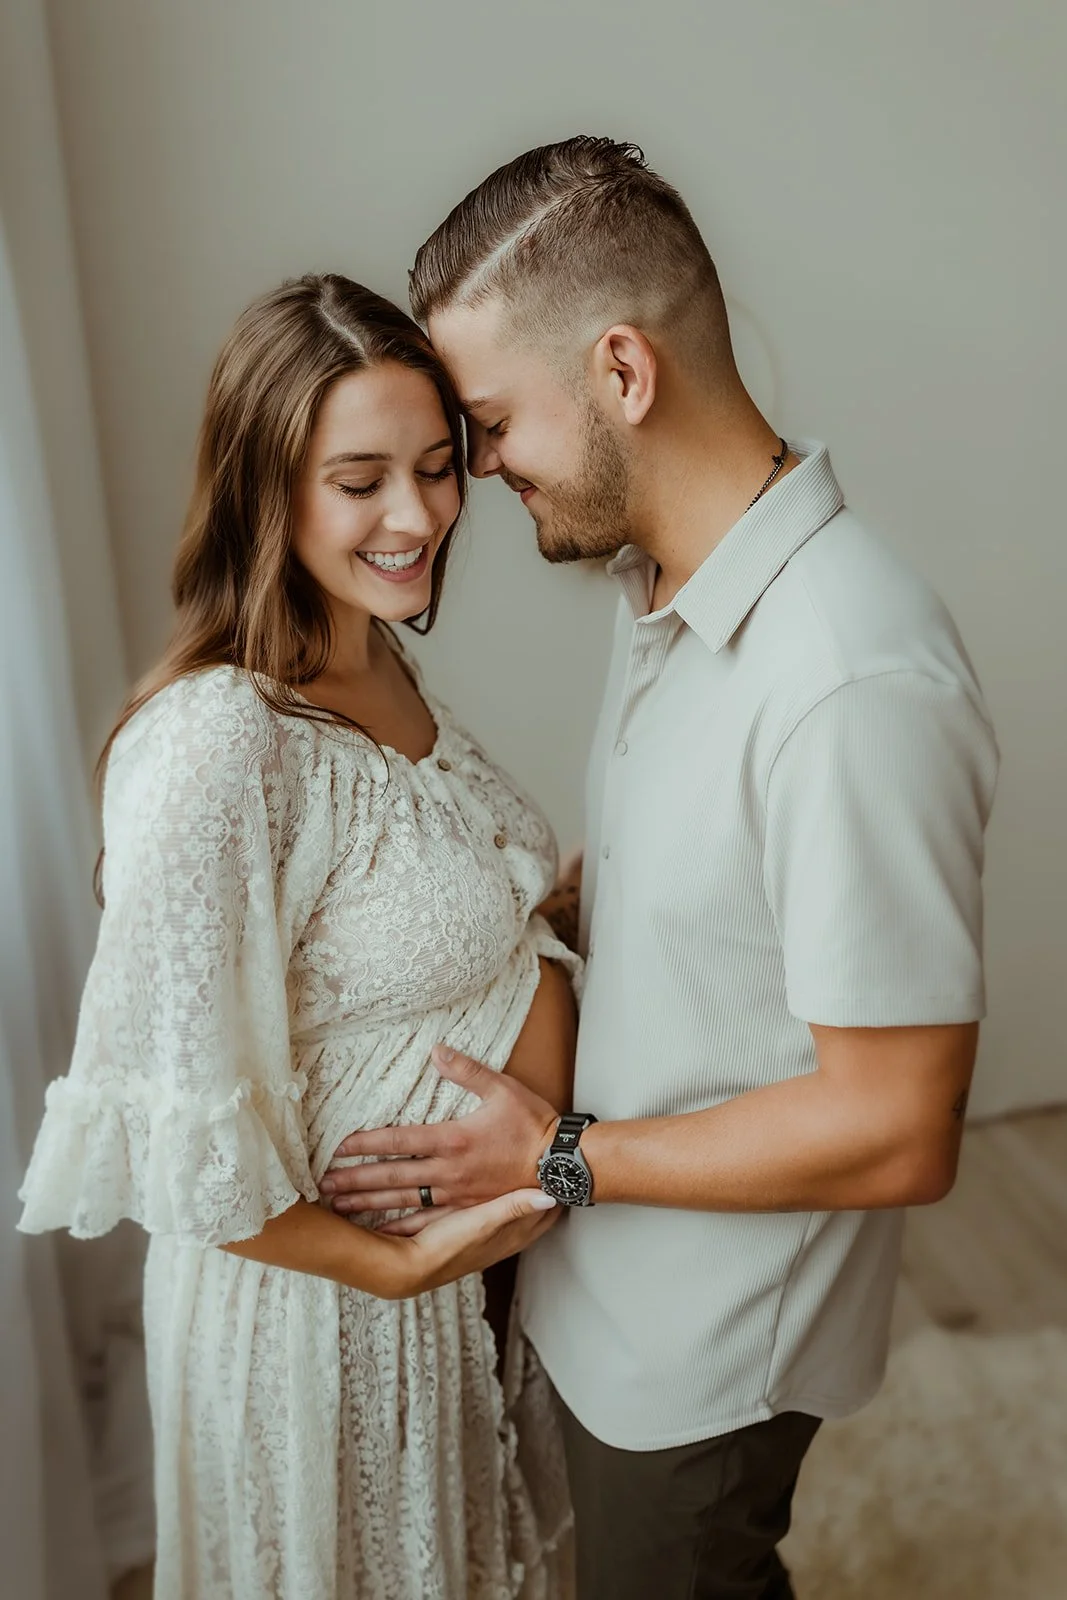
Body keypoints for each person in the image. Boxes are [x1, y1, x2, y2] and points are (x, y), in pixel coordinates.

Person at [323, 138, 1001, 1599]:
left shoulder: (848, 677)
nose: (476, 474)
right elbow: (721, 912)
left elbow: (897, 1127)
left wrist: (556, 1160)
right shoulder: (662, 583)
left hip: (702, 1356)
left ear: (621, 372)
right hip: (601, 1282)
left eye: (493, 423)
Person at [18, 274, 581, 1600]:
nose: (417, 516)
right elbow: (168, 1135)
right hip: (327, 1333)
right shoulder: (218, 741)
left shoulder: (376, 660)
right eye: (361, 479)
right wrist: (399, 1266)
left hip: (455, 1307)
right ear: (265, 487)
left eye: (439, 468)